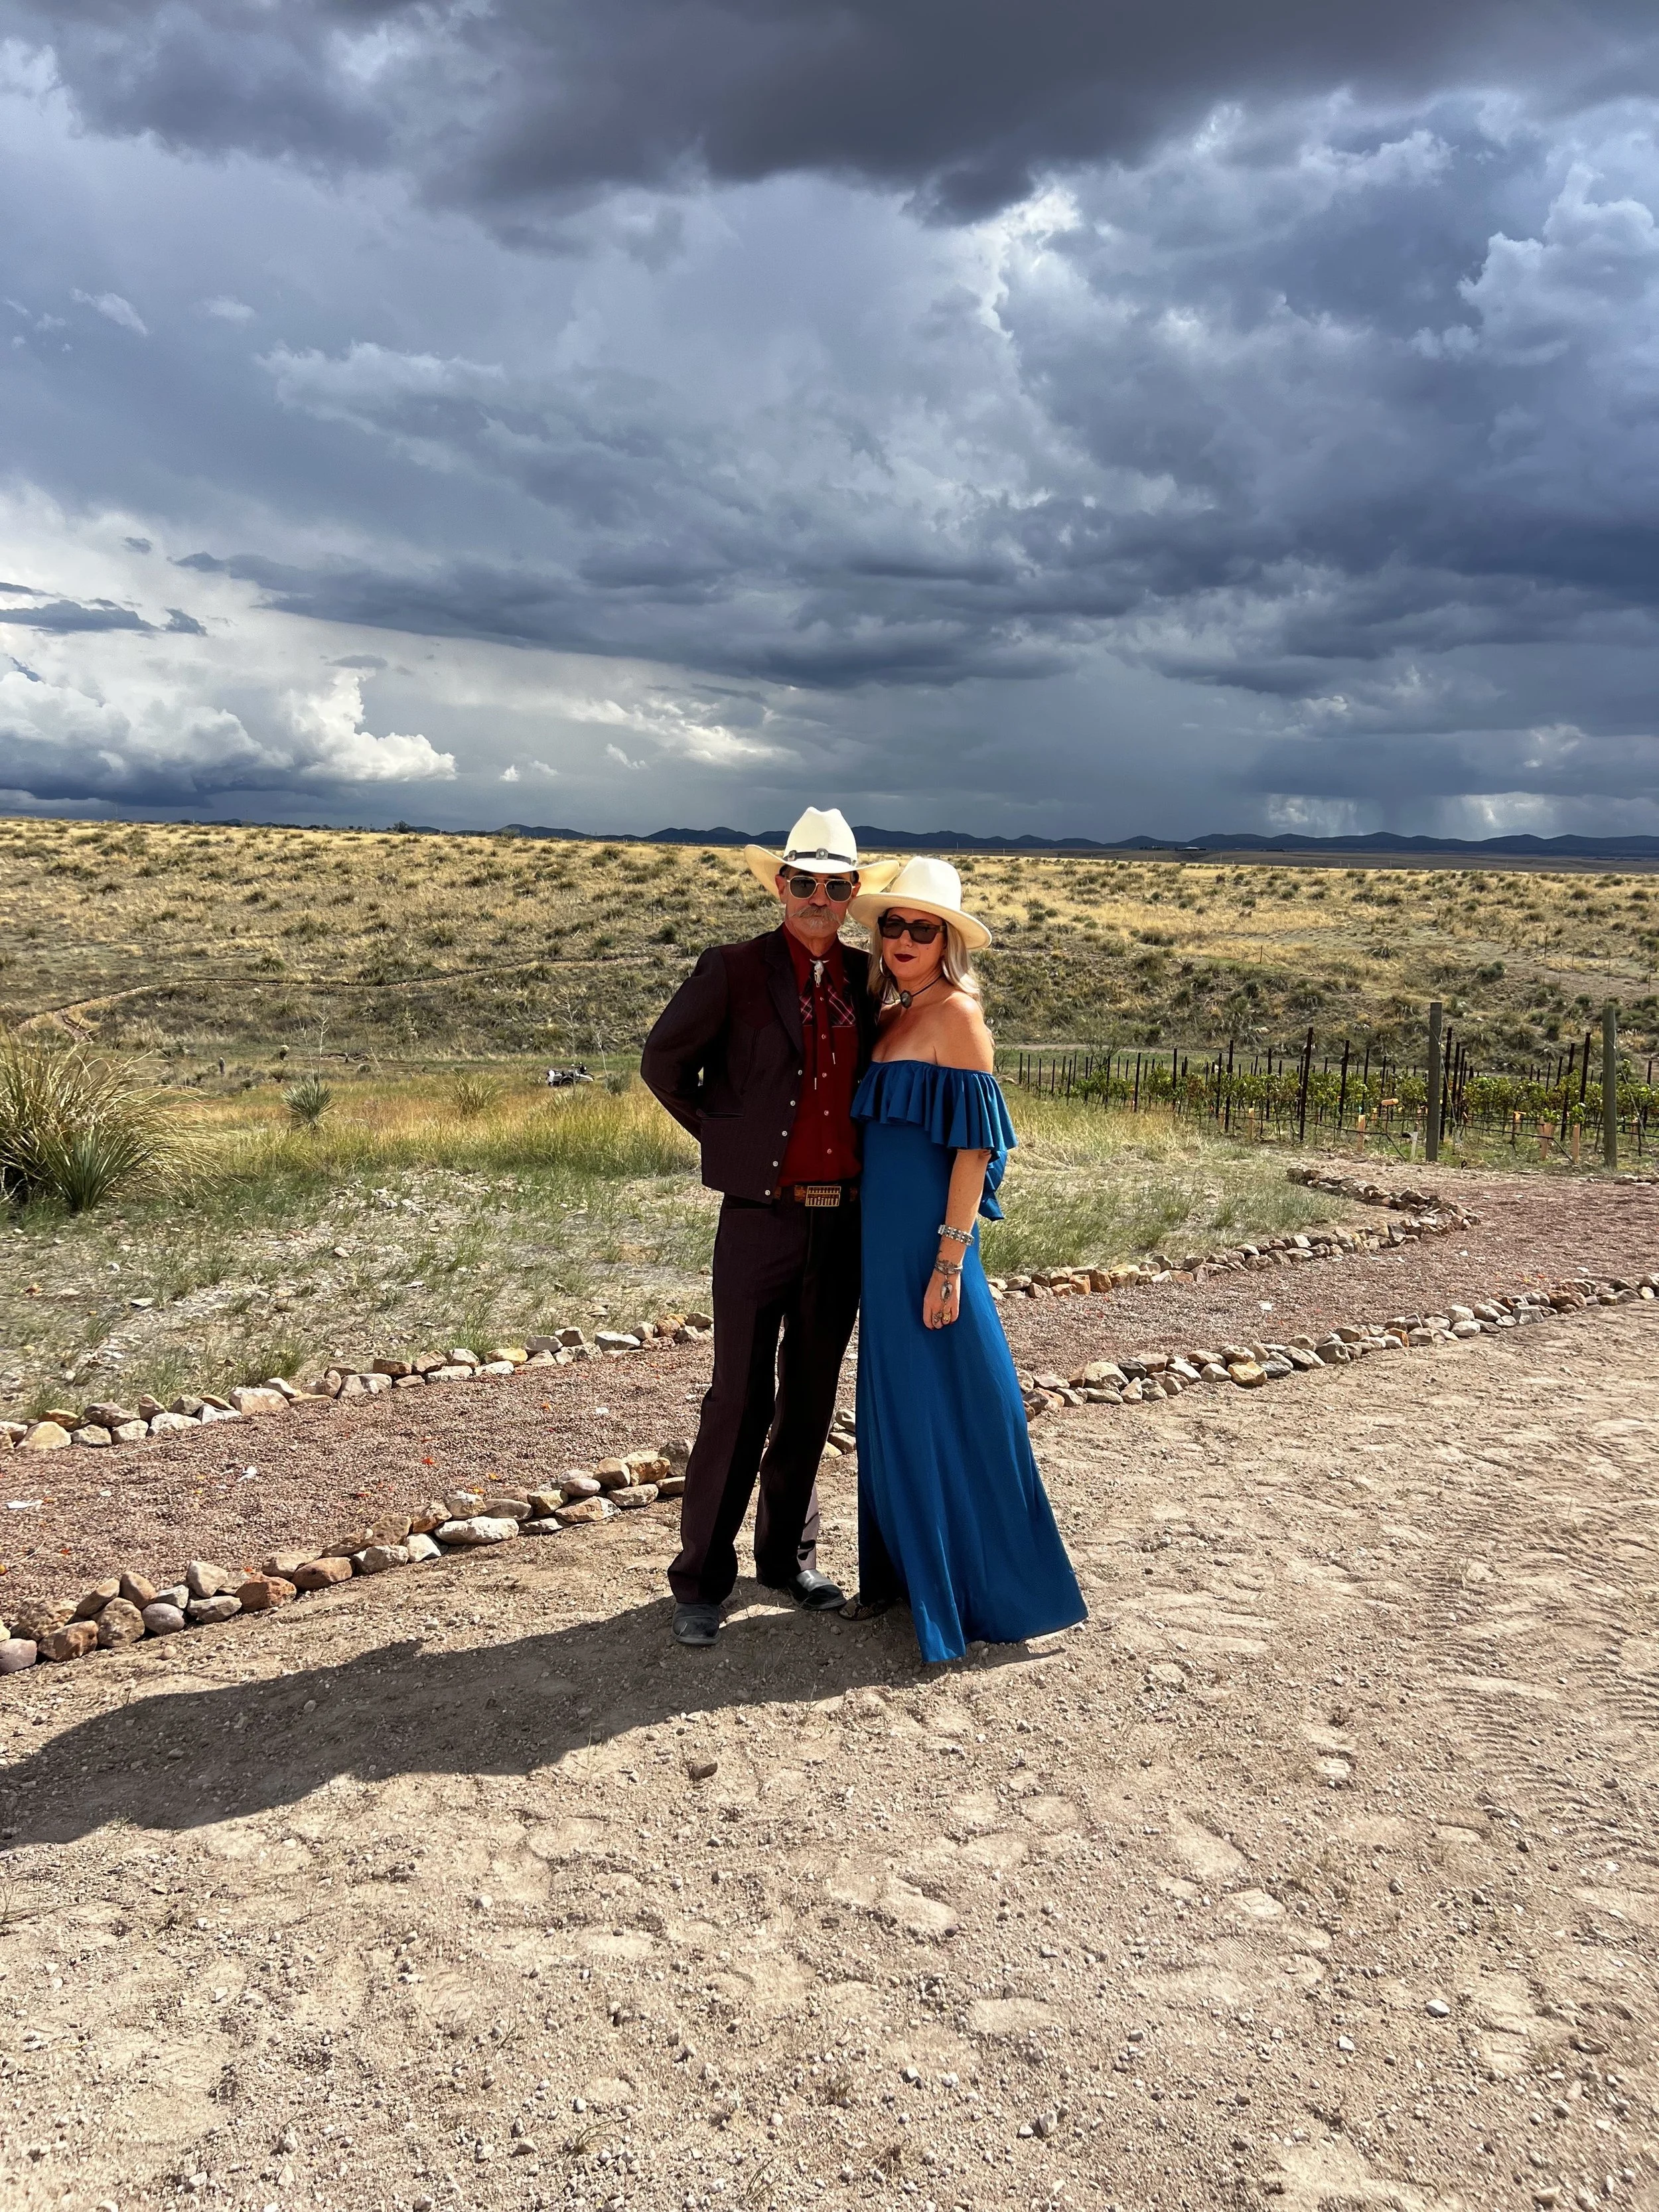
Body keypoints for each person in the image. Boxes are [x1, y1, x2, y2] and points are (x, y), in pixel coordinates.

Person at [640, 808, 900, 1649]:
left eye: (834, 885)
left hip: (845, 1224)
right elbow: (664, 1063)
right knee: (739, 1396)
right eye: (803, 882)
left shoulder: (870, 980)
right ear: (781, 887)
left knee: (811, 1398)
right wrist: (733, 1141)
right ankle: (701, 1581)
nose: (817, 897)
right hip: (759, 1220)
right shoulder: (733, 970)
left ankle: (787, 1559)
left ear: (853, 894)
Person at [841, 856, 1087, 1664]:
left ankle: (1000, 1592)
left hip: (928, 1246)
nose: (904, 938)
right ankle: (911, 1579)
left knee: (965, 1403)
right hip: (880, 1243)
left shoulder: (957, 1016)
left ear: (947, 941)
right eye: (893, 924)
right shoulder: (889, 1011)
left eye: (923, 928)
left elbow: (975, 1150)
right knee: (899, 1404)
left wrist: (949, 1263)